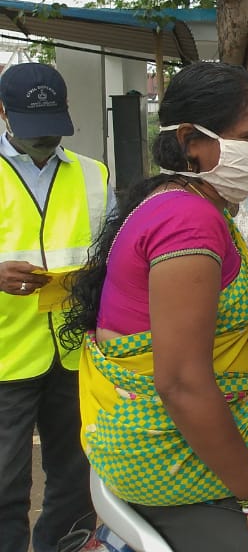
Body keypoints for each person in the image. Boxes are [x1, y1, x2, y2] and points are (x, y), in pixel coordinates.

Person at [64, 62, 248, 552]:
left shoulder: (175, 201)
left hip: (153, 425)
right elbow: (180, 382)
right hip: (163, 440)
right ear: (190, 140)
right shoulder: (188, 221)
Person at [0, 62, 112, 552]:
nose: (44, 140)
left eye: (52, 128)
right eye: (31, 128)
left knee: (77, 479)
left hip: (73, 354)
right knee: (4, 485)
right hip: (5, 359)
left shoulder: (93, 174)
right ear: (2, 113)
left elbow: (112, 253)